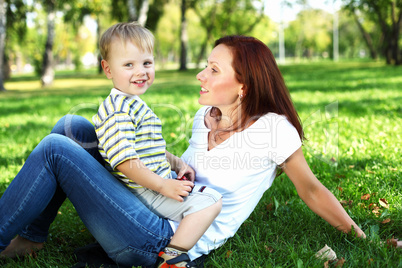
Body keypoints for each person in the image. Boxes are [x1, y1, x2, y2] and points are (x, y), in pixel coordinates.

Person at [1, 35, 400, 267]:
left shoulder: (273, 130)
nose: (200, 74)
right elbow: (182, 171)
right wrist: (176, 168)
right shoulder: (203, 116)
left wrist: (362, 237)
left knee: (55, 148)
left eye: (213, 69)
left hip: (163, 239)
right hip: (152, 204)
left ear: (243, 85)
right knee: (69, 129)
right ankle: (33, 235)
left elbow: (311, 190)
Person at [92, 22, 222, 266]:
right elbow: (125, 162)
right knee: (211, 202)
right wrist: (163, 185)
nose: (140, 71)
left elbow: (148, 147)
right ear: (108, 69)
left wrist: (176, 163)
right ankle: (173, 259)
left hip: (151, 183)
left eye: (146, 63)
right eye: (129, 64)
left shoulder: (133, 102)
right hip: (142, 190)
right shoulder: (118, 110)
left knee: (208, 199)